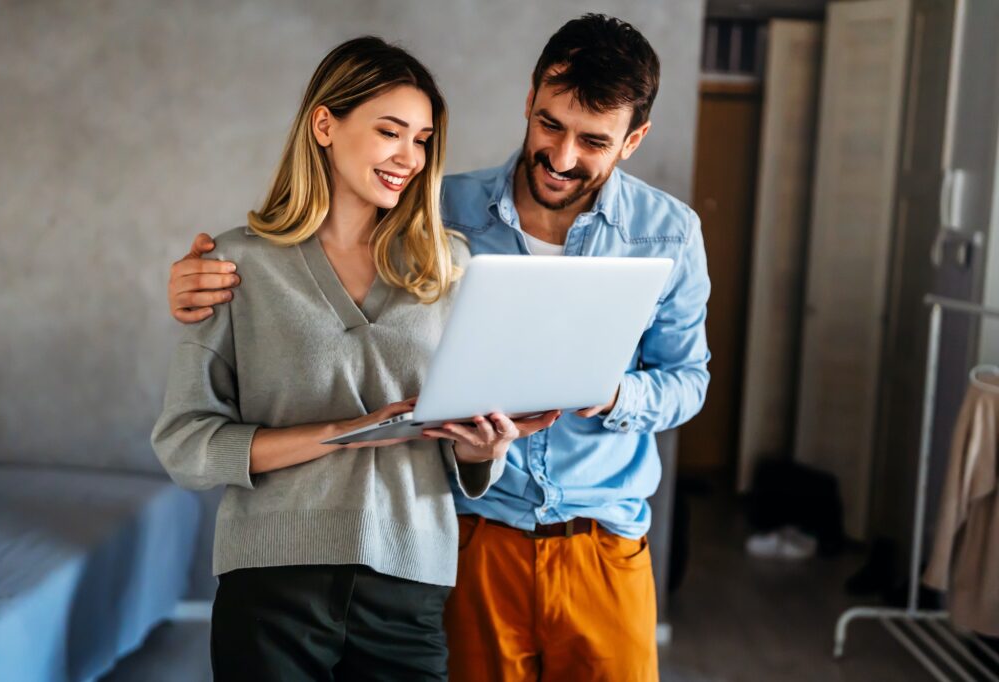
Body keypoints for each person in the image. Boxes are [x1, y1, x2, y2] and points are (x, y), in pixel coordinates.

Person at [167, 15, 710, 681]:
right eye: (549, 125)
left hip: (600, 536)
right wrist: (197, 280)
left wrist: (612, 393)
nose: (563, 157)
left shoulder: (668, 235)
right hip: (472, 534)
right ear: (530, 99)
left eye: (593, 141)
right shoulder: (440, 216)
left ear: (634, 140)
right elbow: (304, 267)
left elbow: (688, 380)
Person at [152, 36, 558, 681]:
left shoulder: (449, 268)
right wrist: (338, 435)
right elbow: (186, 443)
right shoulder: (238, 265)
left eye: (422, 139)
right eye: (390, 132)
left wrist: (484, 448)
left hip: (410, 584)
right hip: (270, 585)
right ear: (324, 125)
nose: (409, 157)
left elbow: (463, 436)